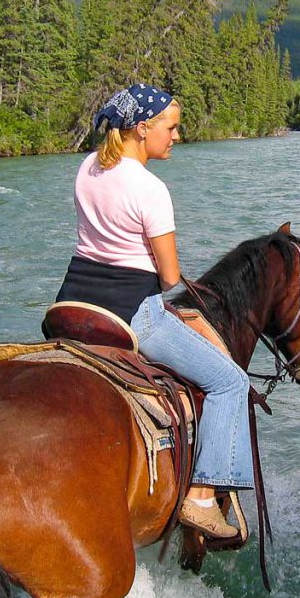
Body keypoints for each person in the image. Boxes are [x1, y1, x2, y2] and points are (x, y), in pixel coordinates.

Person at [53, 83, 250, 539]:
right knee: (229, 382)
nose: (176, 136)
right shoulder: (150, 188)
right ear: (143, 129)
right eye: (171, 126)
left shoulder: (87, 168)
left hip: (74, 304)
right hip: (132, 314)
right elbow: (168, 277)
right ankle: (202, 500)